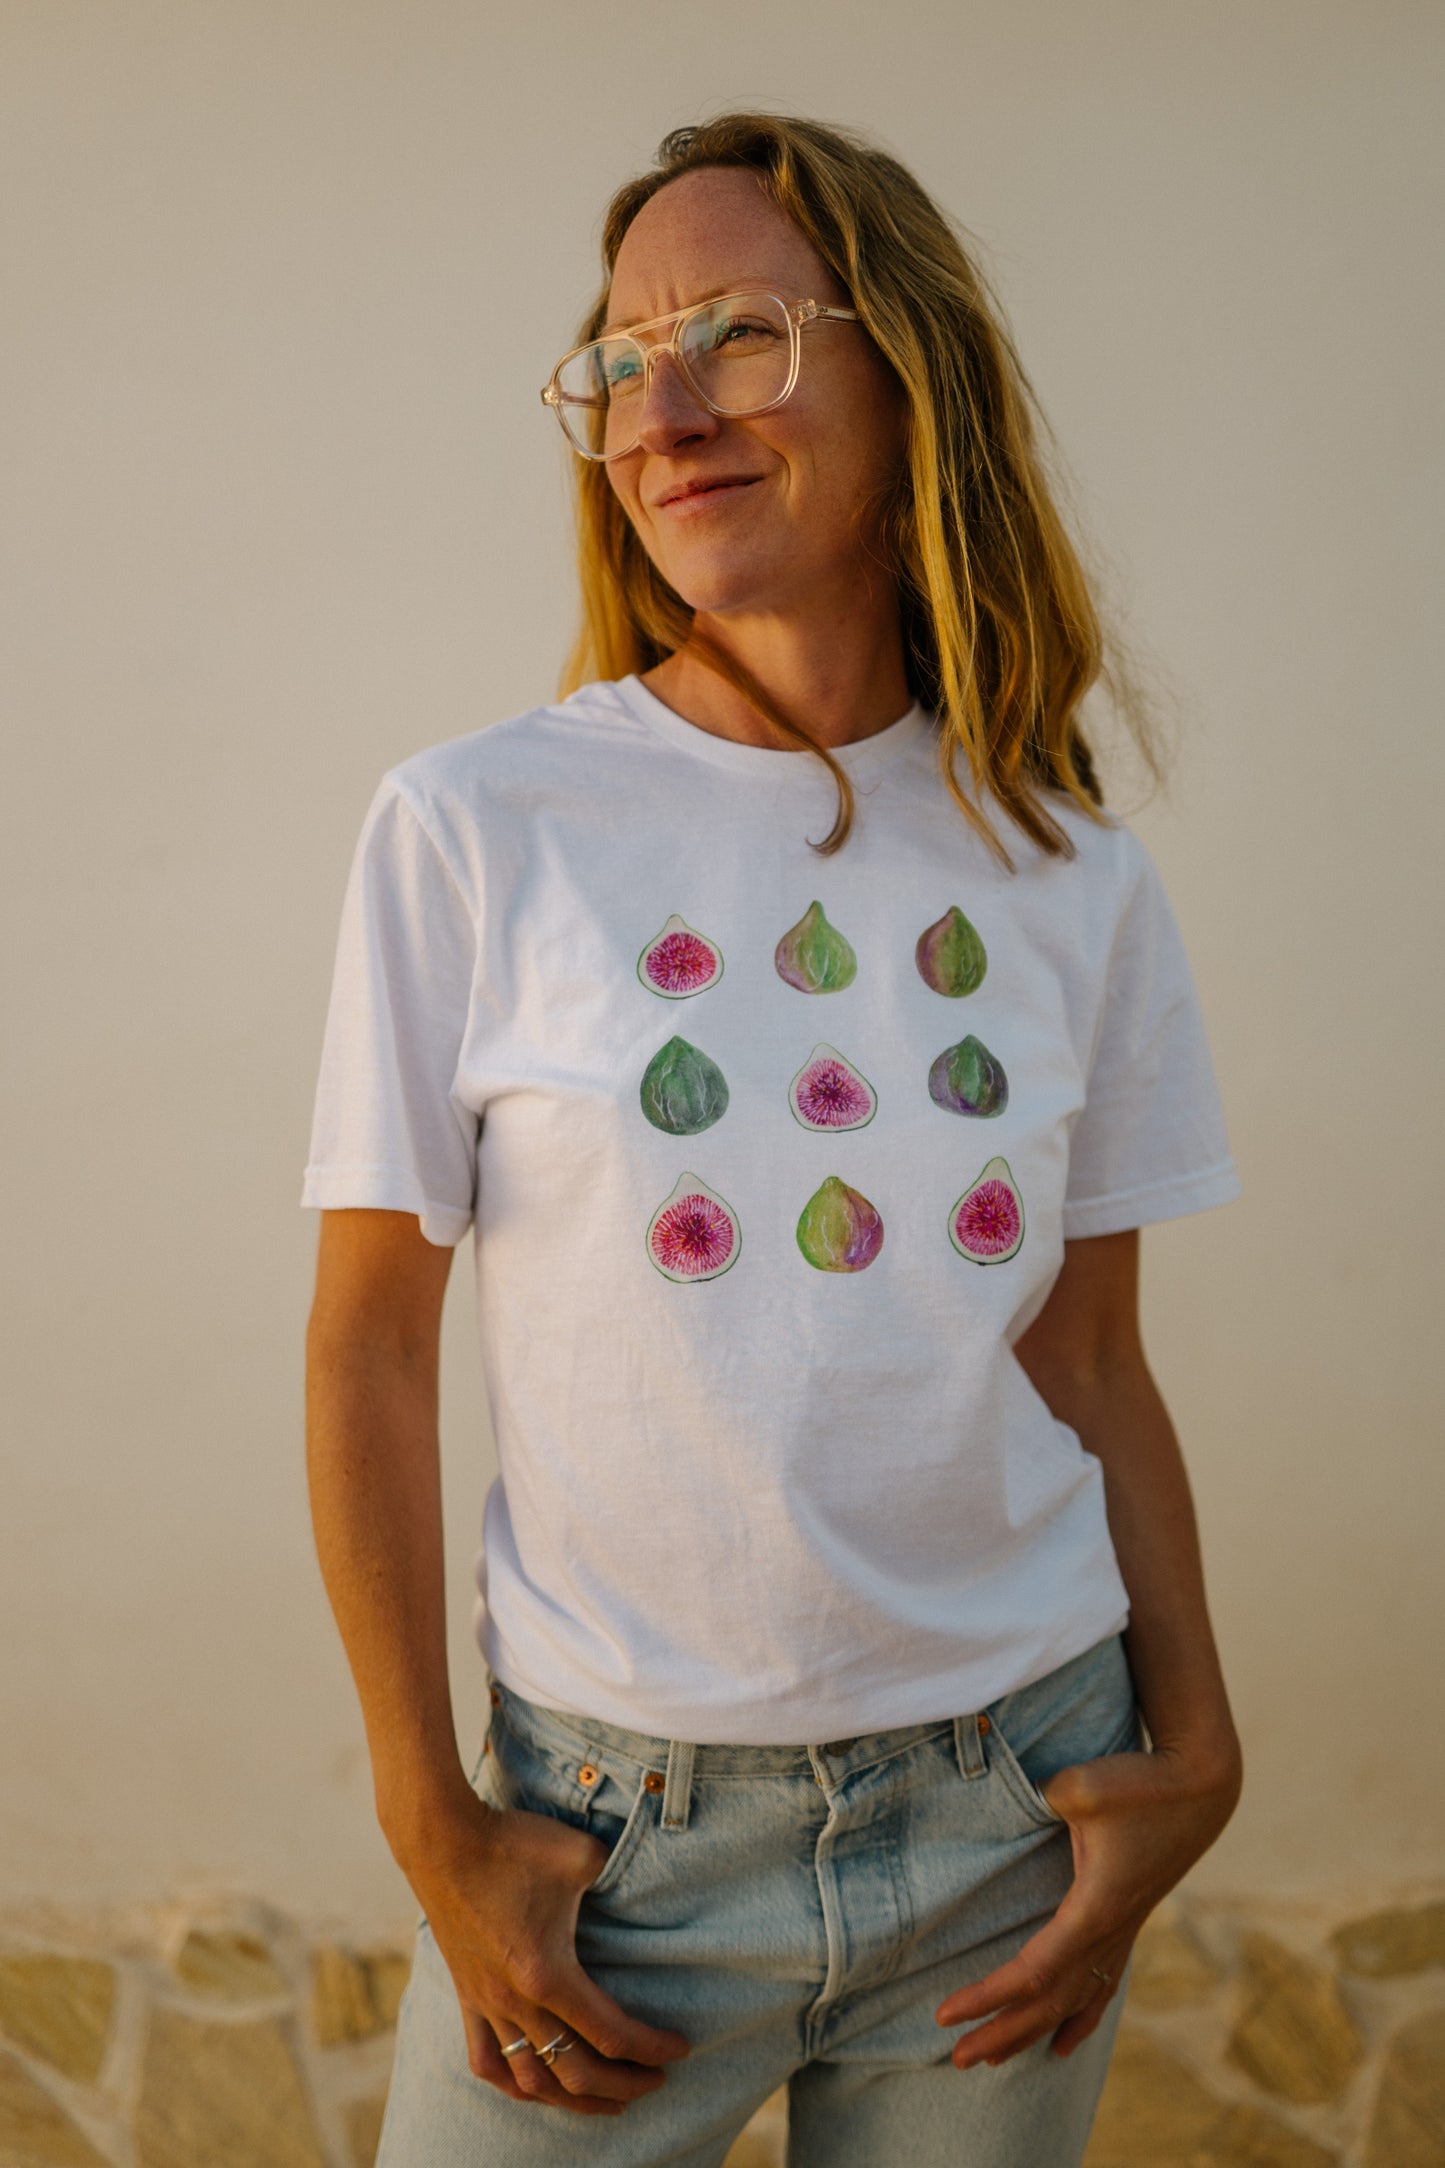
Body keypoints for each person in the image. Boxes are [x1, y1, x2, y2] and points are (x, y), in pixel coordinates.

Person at [301, 112, 1245, 2168]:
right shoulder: (477, 827)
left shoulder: (1073, 874)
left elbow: (1089, 1363)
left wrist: (1203, 1751)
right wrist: (429, 1821)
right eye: (623, 358)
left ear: (909, 375)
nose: (661, 407)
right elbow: (369, 1340)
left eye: (736, 332)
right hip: (611, 1855)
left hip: (1019, 1808)